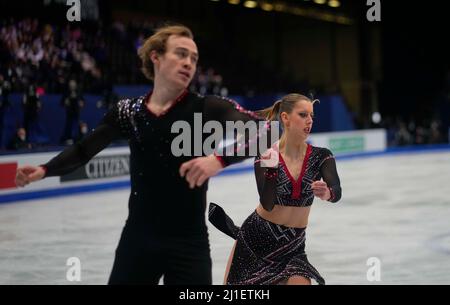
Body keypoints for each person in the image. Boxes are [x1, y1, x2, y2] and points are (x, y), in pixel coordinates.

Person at [15, 25, 270, 285]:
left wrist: (219, 159)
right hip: (137, 240)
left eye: (193, 58)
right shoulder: (128, 112)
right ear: (156, 57)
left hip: (189, 244)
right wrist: (44, 170)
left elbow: (264, 129)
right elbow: (83, 149)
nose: (189, 63)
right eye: (180, 54)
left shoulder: (206, 108)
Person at [209, 93, 342, 285]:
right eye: (303, 115)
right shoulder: (266, 154)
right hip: (256, 241)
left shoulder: (321, 156)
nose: (309, 120)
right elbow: (268, 203)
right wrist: (271, 171)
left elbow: (336, 189)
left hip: (293, 246)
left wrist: (329, 193)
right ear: (285, 118)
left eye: (311, 116)